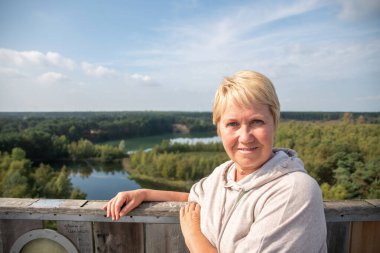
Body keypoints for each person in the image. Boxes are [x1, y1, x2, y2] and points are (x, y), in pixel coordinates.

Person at [103, 70, 327, 253]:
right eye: (232, 124)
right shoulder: (224, 174)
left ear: (274, 124)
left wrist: (192, 236)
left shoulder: (295, 190)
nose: (245, 136)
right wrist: (144, 194)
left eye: (257, 122)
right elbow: (195, 198)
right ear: (219, 128)